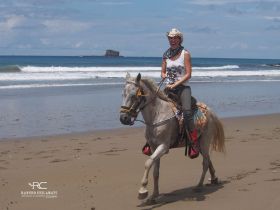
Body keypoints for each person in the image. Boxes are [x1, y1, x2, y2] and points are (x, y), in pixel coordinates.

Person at [161, 28, 199, 159]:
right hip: (169, 88)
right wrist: (164, 76)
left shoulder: (185, 54)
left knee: (187, 113)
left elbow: (188, 74)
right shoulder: (166, 54)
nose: (172, 40)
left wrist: (175, 84)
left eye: (175, 38)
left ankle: (194, 143)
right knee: (153, 106)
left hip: (183, 88)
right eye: (170, 38)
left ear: (179, 39)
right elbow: (163, 71)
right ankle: (151, 140)